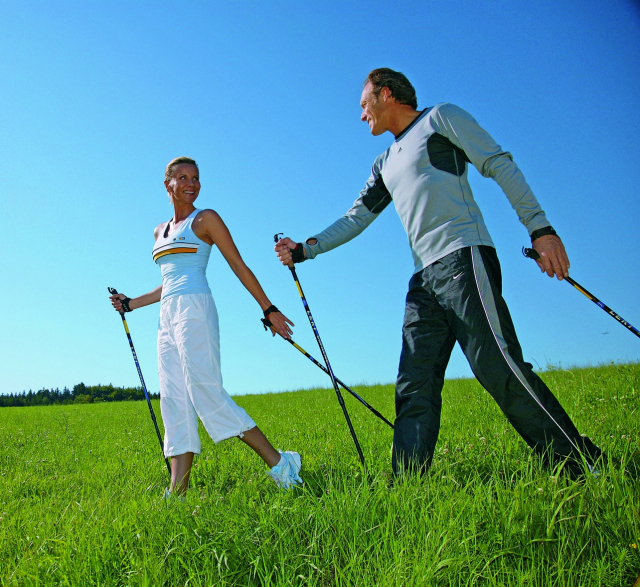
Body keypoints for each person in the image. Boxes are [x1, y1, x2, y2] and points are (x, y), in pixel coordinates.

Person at [275, 68, 602, 478]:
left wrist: (541, 229)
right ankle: (407, 487)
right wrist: (306, 249)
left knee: (496, 366)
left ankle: (581, 462)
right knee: (414, 385)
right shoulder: (384, 162)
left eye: (364, 104)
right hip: (423, 280)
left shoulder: (439, 119)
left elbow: (499, 163)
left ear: (387, 94)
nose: (362, 116)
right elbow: (355, 217)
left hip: (463, 258)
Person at [110, 156, 303, 496]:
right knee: (173, 398)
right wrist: (131, 303)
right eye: (183, 177)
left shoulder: (206, 219)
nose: (191, 184)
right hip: (166, 316)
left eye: (195, 178)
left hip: (195, 308)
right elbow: (168, 283)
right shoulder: (159, 231)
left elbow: (237, 265)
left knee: (205, 390)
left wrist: (268, 307)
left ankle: (282, 464)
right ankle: (177, 491)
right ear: (167, 184)